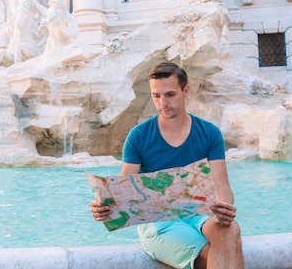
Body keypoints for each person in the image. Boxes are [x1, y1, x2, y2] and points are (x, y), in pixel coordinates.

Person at [90, 61, 244, 269]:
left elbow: (222, 188)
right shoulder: (138, 136)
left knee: (230, 229)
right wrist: (103, 208)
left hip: (199, 214)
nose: (163, 102)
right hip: (157, 222)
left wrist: (224, 208)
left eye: (170, 94)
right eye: (156, 96)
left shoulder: (210, 133)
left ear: (185, 90)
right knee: (212, 255)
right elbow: (124, 193)